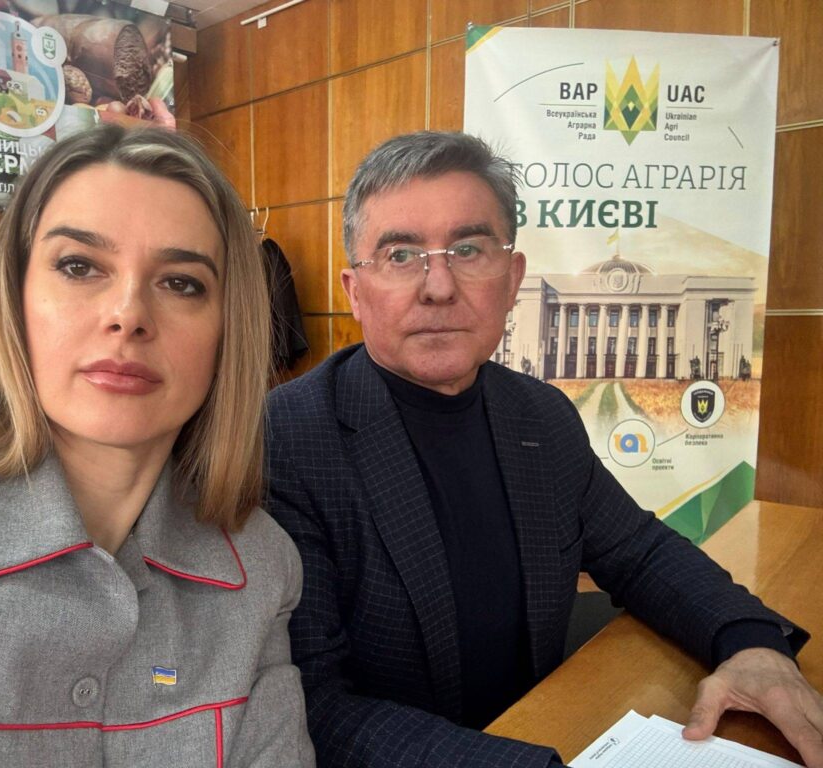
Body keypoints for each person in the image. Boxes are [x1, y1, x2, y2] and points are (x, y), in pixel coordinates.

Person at [266, 130, 823, 768]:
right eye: (400, 254)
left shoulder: (539, 414)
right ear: (354, 290)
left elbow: (639, 553)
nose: (438, 286)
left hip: (544, 723)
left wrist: (751, 642)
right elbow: (312, 704)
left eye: (468, 249)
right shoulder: (289, 439)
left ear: (512, 279)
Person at [0, 125, 315, 766]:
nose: (128, 314)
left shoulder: (261, 564)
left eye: (181, 282)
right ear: (15, 295)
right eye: (79, 266)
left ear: (228, 327)